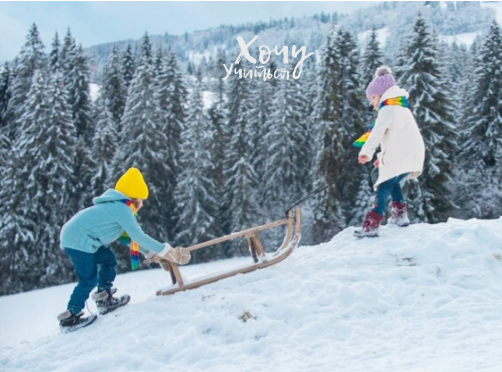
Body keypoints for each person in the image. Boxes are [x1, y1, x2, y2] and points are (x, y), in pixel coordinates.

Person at [57, 167, 191, 332]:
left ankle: (103, 298)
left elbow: (127, 238)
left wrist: (152, 254)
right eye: (141, 201)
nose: (141, 205)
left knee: (108, 260)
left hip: (82, 238)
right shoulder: (122, 209)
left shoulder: (115, 207)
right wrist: (165, 250)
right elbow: (138, 235)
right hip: (77, 241)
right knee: (88, 279)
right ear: (134, 199)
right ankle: (70, 316)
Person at [354, 66, 425, 238]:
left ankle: (371, 225)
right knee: (393, 183)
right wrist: (382, 157)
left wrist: (366, 153)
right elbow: (395, 138)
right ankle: (400, 216)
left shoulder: (387, 109)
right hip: (412, 153)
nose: (371, 101)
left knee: (384, 185)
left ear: (381, 94)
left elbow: (377, 133)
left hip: (402, 154)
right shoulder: (401, 107)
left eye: (372, 97)